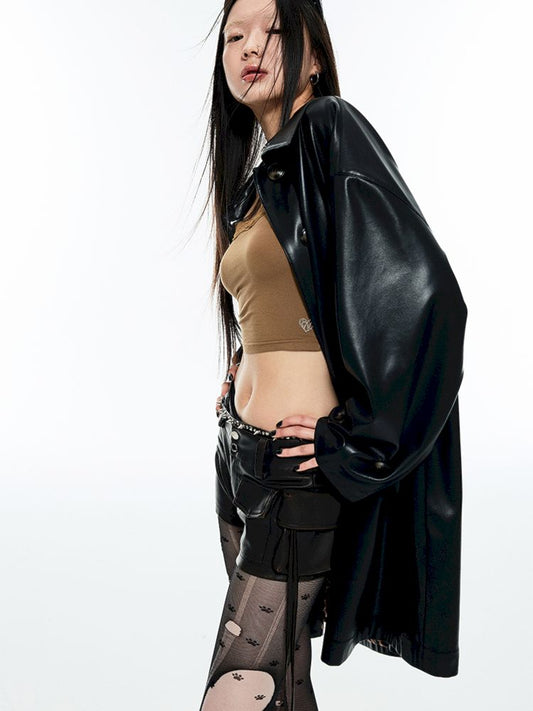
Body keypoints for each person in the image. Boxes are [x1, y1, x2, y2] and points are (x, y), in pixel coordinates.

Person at [198, 1, 468, 710]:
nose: (250, 47)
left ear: (314, 56)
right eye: (234, 36)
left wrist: (357, 442)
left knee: (237, 691)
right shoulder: (263, 173)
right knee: (281, 691)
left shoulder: (329, 128)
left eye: (273, 30)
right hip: (240, 457)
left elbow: (431, 301)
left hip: (297, 473)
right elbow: (294, 300)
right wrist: (241, 364)